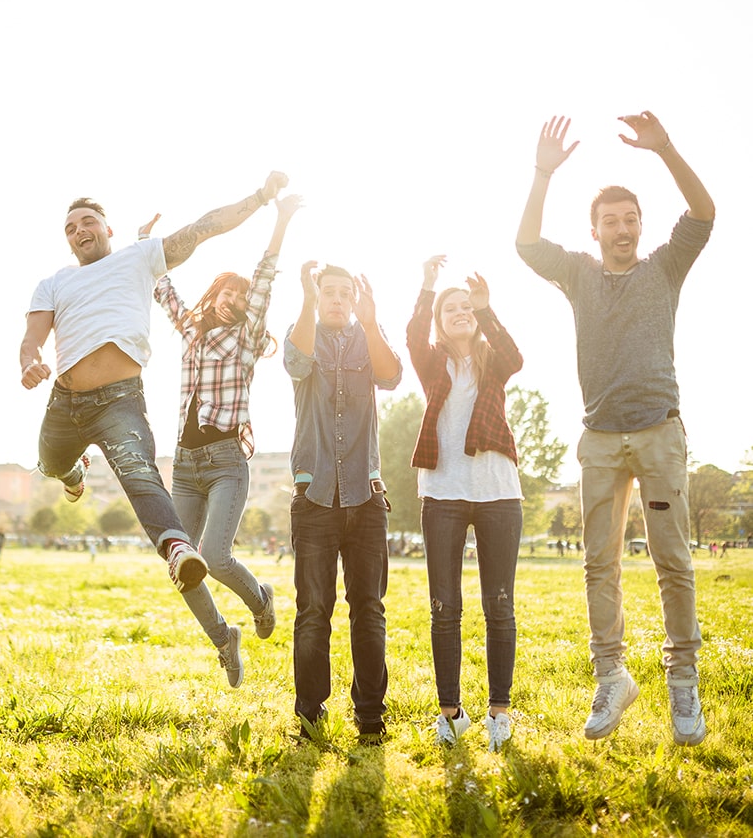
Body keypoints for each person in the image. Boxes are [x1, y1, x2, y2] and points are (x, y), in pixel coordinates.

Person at [516, 111, 715, 746]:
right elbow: (526, 244)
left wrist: (666, 149)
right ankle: (612, 676)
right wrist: (543, 173)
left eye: (630, 219)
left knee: (672, 560)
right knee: (597, 563)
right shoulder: (578, 273)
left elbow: (704, 213)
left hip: (658, 432)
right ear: (595, 230)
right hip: (600, 439)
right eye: (611, 221)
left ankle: (682, 680)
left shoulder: (665, 268)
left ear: (640, 226)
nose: (622, 229)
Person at [20, 173, 287, 636]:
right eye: (71, 228)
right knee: (49, 461)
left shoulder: (138, 258)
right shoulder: (54, 282)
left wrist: (262, 198)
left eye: (88, 221)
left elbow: (204, 228)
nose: (80, 230)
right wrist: (29, 361)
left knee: (143, 479)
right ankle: (73, 473)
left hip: (124, 404)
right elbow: (32, 337)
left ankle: (186, 555)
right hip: (70, 403)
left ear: (108, 228)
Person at [153, 193, 303, 687]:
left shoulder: (245, 339)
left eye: (242, 297)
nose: (235, 299)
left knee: (215, 558)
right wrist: (145, 243)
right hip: (185, 464)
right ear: (214, 293)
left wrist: (281, 220)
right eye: (228, 292)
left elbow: (265, 278)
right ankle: (223, 638)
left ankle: (260, 600)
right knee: (182, 562)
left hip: (224, 463)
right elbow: (162, 288)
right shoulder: (192, 332)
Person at [407, 256, 523, 752]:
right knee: (445, 608)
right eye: (450, 307)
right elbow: (413, 336)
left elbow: (516, 356)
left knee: (500, 605)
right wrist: (427, 287)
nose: (460, 312)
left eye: (466, 307)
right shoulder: (432, 361)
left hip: (498, 492)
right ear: (440, 319)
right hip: (442, 492)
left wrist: (487, 308)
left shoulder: (493, 360)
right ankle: (451, 714)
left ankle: (499, 712)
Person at [284, 262, 402, 743]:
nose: (336, 299)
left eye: (344, 293)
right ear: (317, 296)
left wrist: (371, 323)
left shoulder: (367, 337)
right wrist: (305, 298)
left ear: (355, 300)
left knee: (369, 609)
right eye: (328, 291)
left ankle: (370, 716)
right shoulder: (303, 332)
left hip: (366, 497)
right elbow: (295, 364)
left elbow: (391, 376)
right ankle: (310, 717)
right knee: (313, 610)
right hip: (314, 498)